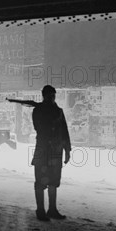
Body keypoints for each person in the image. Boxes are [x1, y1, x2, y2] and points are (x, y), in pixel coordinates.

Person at [31, 85, 71, 221]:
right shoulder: (38, 111)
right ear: (44, 96)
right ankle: (40, 210)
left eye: (53, 95)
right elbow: (39, 128)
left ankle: (52, 209)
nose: (52, 98)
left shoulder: (58, 111)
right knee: (40, 182)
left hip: (56, 151)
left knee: (54, 181)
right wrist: (46, 113)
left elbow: (64, 131)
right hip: (43, 150)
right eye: (49, 95)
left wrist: (67, 150)